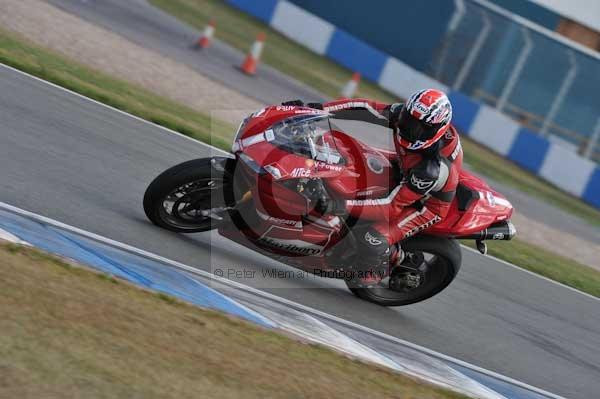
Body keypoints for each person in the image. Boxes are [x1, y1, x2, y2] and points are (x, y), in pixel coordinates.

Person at [282, 89, 463, 287]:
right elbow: (365, 109)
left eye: (419, 127)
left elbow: (390, 207)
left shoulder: (430, 169)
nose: (409, 129)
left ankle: (375, 271)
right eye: (408, 120)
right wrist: (313, 110)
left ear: (435, 130)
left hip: (427, 204)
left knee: (372, 238)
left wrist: (339, 205)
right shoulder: (405, 116)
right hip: (405, 166)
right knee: (343, 161)